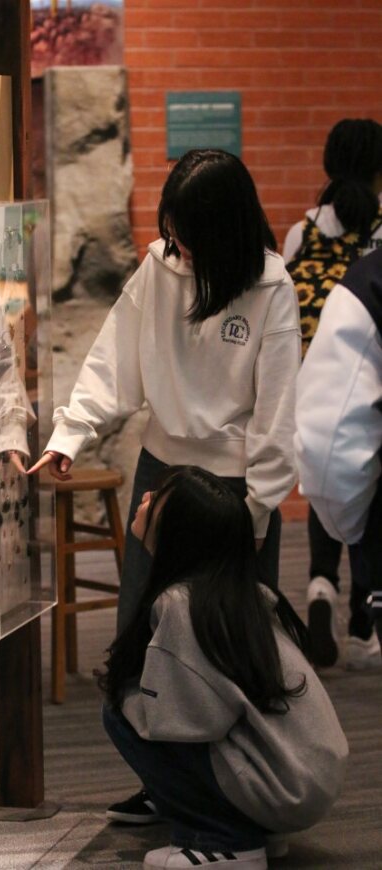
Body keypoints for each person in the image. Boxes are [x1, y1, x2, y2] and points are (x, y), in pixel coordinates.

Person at [29, 148, 300, 822]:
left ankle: (247, 800)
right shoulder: (159, 269)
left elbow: (277, 418)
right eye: (170, 231)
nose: (174, 245)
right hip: (163, 475)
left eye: (185, 234)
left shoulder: (269, 287)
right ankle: (167, 787)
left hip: (235, 494)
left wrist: (256, 516)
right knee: (141, 645)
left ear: (223, 229)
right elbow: (112, 362)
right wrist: (69, 436)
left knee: (236, 650)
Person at [98, 466, 347, 870]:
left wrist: (132, 701)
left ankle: (224, 840)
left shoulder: (181, 605)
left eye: (158, 497)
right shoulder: (241, 593)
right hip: (305, 776)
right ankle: (251, 827)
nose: (144, 497)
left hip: (284, 784)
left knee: (118, 711)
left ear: (178, 531)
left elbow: (189, 723)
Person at [283, 118, 382, 670]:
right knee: (371, 484)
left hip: (314, 374)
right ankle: (366, 618)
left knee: (326, 472)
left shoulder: (304, 230)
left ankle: (321, 583)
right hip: (372, 370)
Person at [295, 247, 382, 650]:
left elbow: (330, 449)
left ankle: (322, 584)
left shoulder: (306, 235)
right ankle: (360, 628)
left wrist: (355, 529)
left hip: (330, 371)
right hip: (348, 371)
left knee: (339, 472)